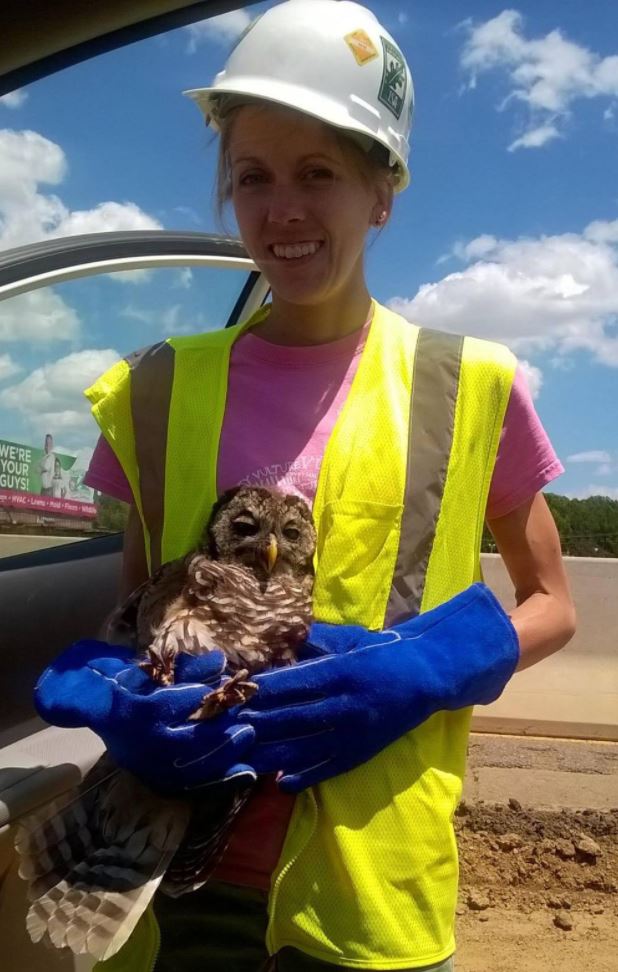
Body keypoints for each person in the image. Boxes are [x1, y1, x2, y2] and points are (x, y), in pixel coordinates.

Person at [35, 3, 576, 971]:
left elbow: (551, 605)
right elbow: (133, 605)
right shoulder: (156, 388)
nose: (282, 208)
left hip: (369, 892)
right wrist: (122, 695)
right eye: (253, 177)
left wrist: (424, 671)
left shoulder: (470, 386)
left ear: (383, 192)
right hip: (167, 868)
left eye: (319, 174)